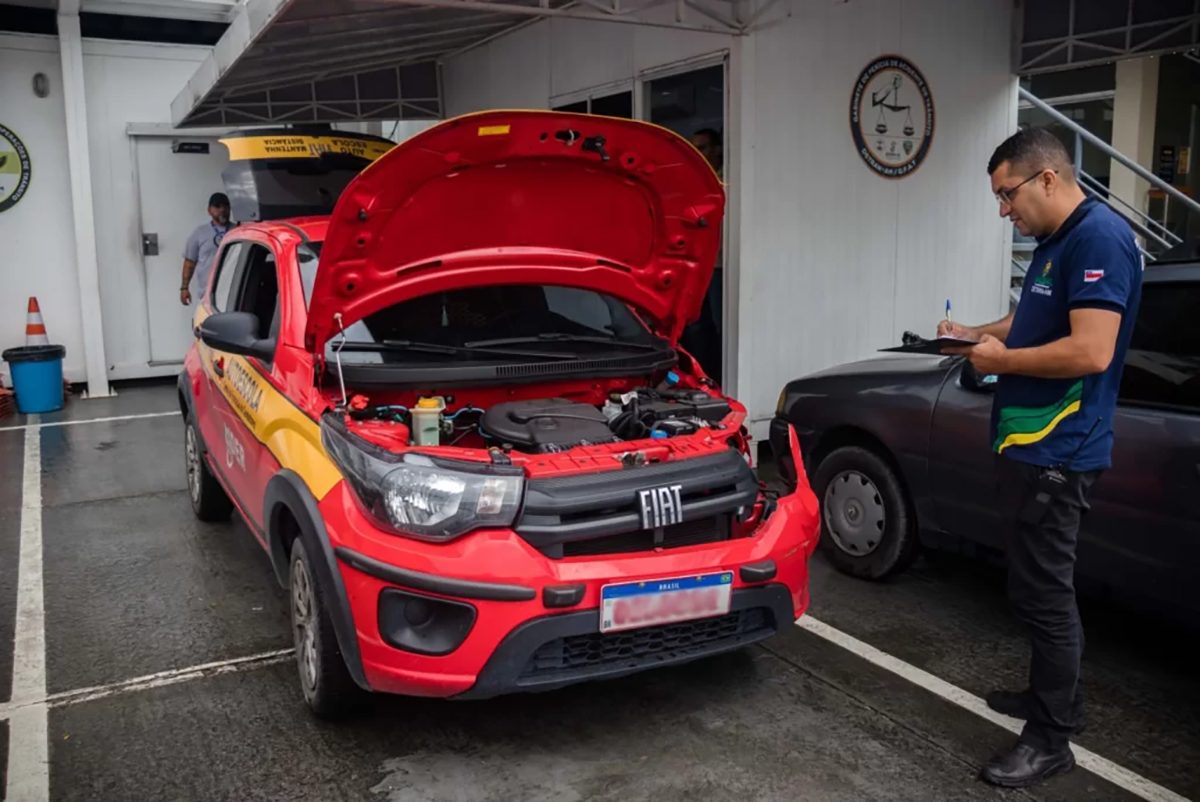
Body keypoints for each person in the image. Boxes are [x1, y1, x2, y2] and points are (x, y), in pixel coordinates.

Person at [941, 127, 1142, 788]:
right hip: (1029, 447)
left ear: (1047, 178)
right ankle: (1047, 698)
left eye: (1007, 194)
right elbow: (1027, 319)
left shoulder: (1099, 239)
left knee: (1047, 593)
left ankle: (1052, 737)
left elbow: (1091, 352)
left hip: (1062, 450)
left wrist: (1001, 360)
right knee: (1028, 585)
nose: (1004, 210)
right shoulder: (1058, 244)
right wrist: (976, 335)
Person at [180, 192, 234, 306]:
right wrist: (184, 288)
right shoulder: (200, 233)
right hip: (208, 295)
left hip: (234, 294)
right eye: (217, 206)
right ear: (209, 210)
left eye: (226, 206)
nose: (222, 210)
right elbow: (189, 262)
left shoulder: (239, 231)